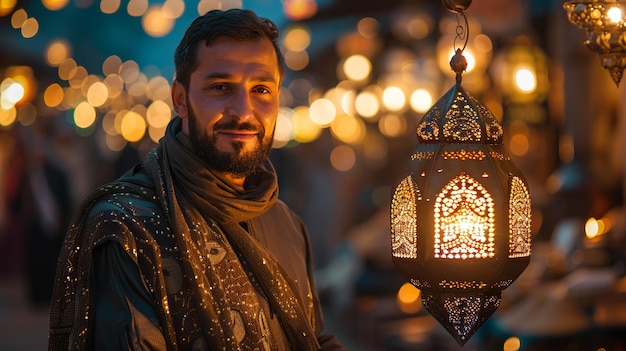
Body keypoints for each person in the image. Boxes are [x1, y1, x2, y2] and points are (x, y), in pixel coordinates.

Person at [48, 9, 346, 351]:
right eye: (220, 87)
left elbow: (312, 338)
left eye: (261, 89)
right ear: (180, 99)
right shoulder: (128, 228)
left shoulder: (287, 224)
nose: (244, 111)